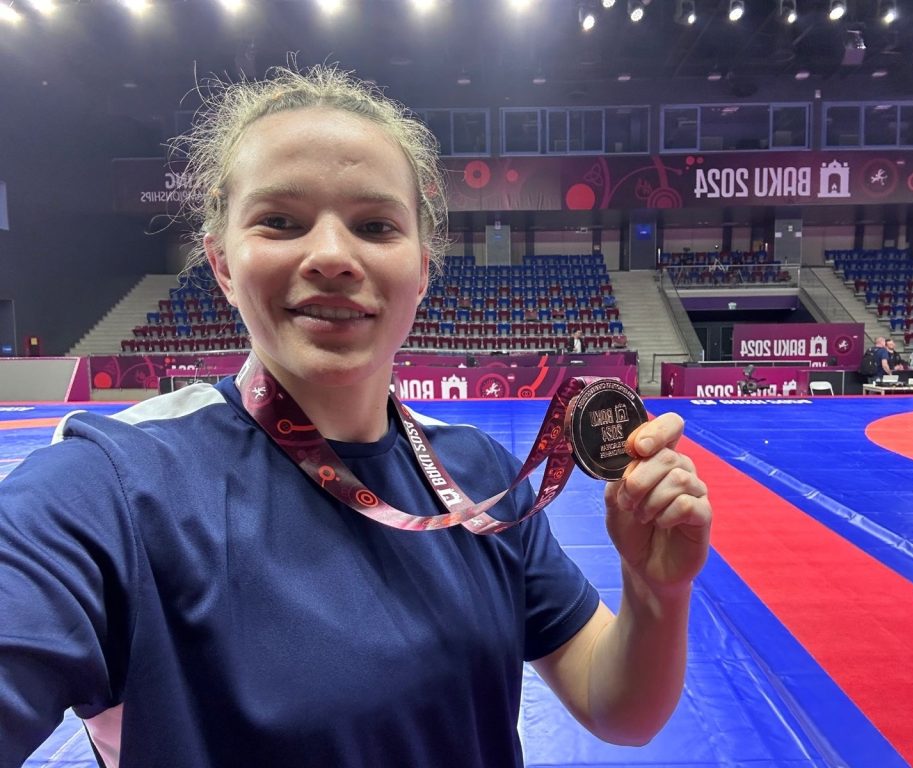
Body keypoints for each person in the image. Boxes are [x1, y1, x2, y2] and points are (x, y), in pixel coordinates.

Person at [0, 64, 712, 768]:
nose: (333, 256)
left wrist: (657, 591)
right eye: (280, 221)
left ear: (422, 270)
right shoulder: (114, 486)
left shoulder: (482, 479)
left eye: (374, 225)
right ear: (222, 265)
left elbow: (618, 709)